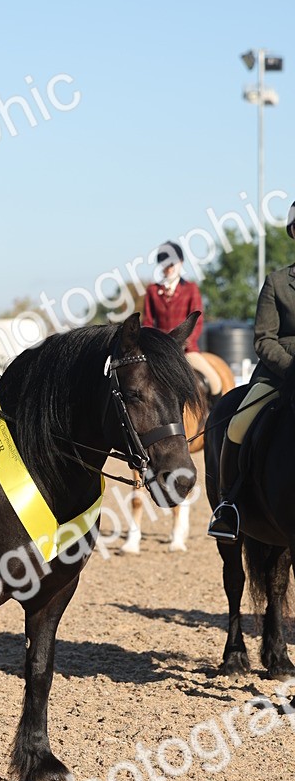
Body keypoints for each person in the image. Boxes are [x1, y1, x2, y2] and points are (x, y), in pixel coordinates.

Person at [208, 201, 295, 541]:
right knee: (238, 424)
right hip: (279, 375)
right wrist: (290, 368)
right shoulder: (278, 283)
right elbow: (263, 339)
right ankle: (228, 505)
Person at [143, 241, 222, 396]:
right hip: (160, 350)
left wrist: (185, 342)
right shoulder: (152, 290)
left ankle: (215, 410)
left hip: (186, 349)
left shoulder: (191, 289)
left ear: (180, 263)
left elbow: (197, 321)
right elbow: (147, 322)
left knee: (215, 382)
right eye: (165, 264)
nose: (169, 268)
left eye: (172, 264)